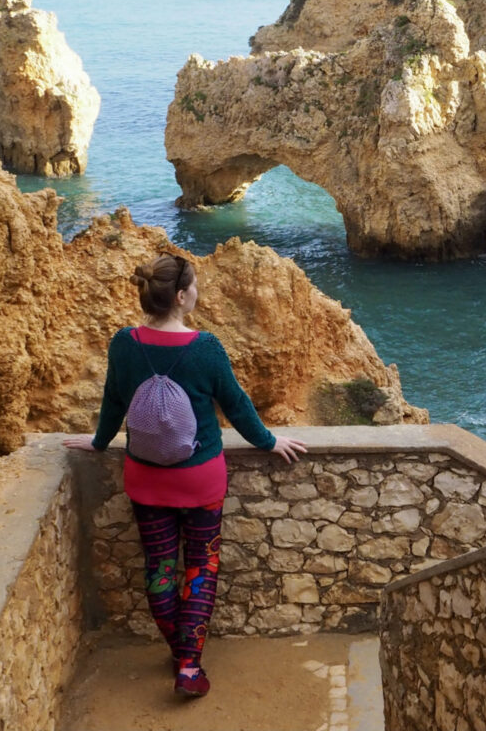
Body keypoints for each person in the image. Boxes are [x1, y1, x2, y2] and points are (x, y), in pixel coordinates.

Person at [65, 254, 306, 699]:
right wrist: (270, 442)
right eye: (194, 286)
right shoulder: (206, 348)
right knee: (201, 567)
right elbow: (235, 405)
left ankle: (180, 650)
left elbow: (113, 404)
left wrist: (99, 443)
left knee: (159, 568)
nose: (197, 292)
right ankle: (189, 666)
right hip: (201, 481)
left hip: (145, 479)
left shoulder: (124, 343)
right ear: (180, 296)